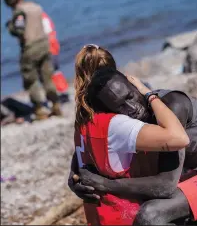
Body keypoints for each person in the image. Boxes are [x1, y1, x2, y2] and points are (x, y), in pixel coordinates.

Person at [69, 45, 197, 225]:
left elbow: (165, 186)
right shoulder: (128, 121)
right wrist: (77, 178)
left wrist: (106, 185)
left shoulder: (172, 106)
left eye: (130, 97)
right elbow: (88, 148)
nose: (132, 108)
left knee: (150, 214)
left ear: (136, 86)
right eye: (120, 107)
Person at [71, 44, 189, 225]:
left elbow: (81, 161)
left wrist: (73, 178)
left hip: (98, 217)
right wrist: (150, 95)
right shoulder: (116, 125)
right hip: (127, 215)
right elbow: (178, 139)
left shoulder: (82, 123)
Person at [4, 0, 62, 120]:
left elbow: (19, 30)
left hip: (30, 47)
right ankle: (55, 104)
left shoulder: (19, 11)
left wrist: (10, 27)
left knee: (31, 79)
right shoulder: (36, 7)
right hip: (44, 44)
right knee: (47, 76)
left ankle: (40, 109)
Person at [41, 11, 70, 102]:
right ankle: (62, 92)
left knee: (52, 71)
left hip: (49, 47)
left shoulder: (41, 18)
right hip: (52, 46)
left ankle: (62, 93)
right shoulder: (43, 16)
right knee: (55, 71)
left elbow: (46, 32)